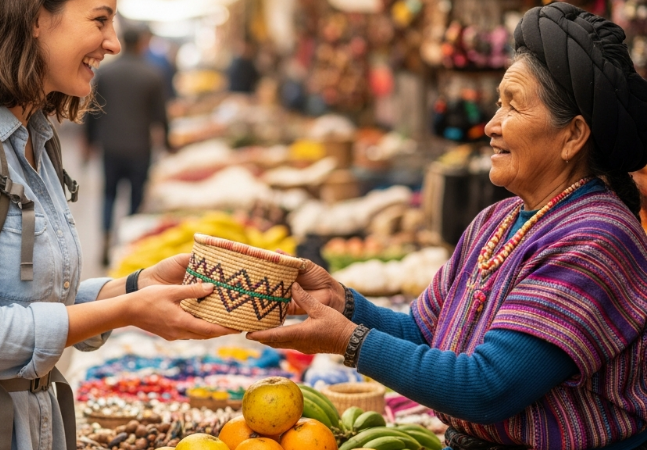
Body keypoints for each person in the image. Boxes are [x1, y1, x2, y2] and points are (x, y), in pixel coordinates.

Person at [248, 4, 647, 450]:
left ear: (573, 135)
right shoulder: (496, 221)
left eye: (513, 106)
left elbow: (487, 388)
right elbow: (424, 335)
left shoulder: (597, 238)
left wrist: (348, 340)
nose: (491, 125)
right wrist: (344, 304)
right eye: (498, 104)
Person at [0, 1, 235, 449]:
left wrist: (133, 287)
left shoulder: (32, 138)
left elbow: (30, 301)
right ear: (35, 17)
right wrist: (128, 311)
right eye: (100, 20)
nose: (114, 42)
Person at [84, 27, 170, 267]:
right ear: (142, 43)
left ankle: (105, 240)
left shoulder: (106, 73)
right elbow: (161, 116)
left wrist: (89, 141)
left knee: (109, 195)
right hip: (139, 147)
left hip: (110, 146)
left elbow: (93, 110)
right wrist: (168, 142)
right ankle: (129, 245)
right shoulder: (152, 74)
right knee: (135, 197)